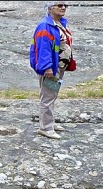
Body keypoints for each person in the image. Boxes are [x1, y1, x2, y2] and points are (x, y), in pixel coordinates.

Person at [29, 3, 71, 139]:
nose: (63, 7)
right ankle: (45, 128)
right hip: (51, 69)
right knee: (47, 97)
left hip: (58, 67)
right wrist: (47, 67)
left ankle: (49, 123)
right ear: (49, 8)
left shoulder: (59, 23)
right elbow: (43, 48)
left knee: (51, 95)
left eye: (65, 5)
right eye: (59, 5)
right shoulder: (45, 26)